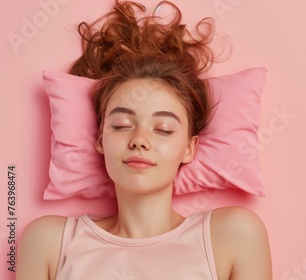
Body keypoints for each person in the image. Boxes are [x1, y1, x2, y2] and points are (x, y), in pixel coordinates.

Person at [16, 1, 272, 279]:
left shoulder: (232, 234)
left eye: (162, 128)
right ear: (100, 139)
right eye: (122, 125)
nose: (139, 140)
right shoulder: (49, 242)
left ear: (189, 148)